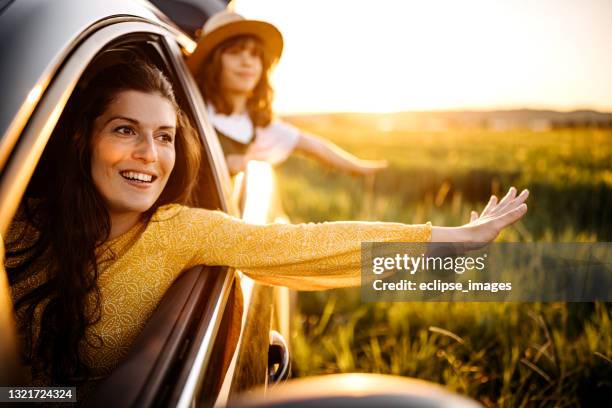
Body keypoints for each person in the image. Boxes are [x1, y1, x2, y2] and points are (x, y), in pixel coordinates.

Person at [5, 61, 528, 385]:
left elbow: (304, 245)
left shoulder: (180, 230)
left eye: (165, 136)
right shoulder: (18, 225)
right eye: (126, 130)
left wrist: (450, 239)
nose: (149, 154)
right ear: (82, 140)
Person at [186, 10, 388, 176]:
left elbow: (315, 147)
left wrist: (360, 167)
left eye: (255, 55)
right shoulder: (190, 110)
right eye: (235, 52)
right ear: (212, 63)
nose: (247, 62)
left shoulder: (258, 125)